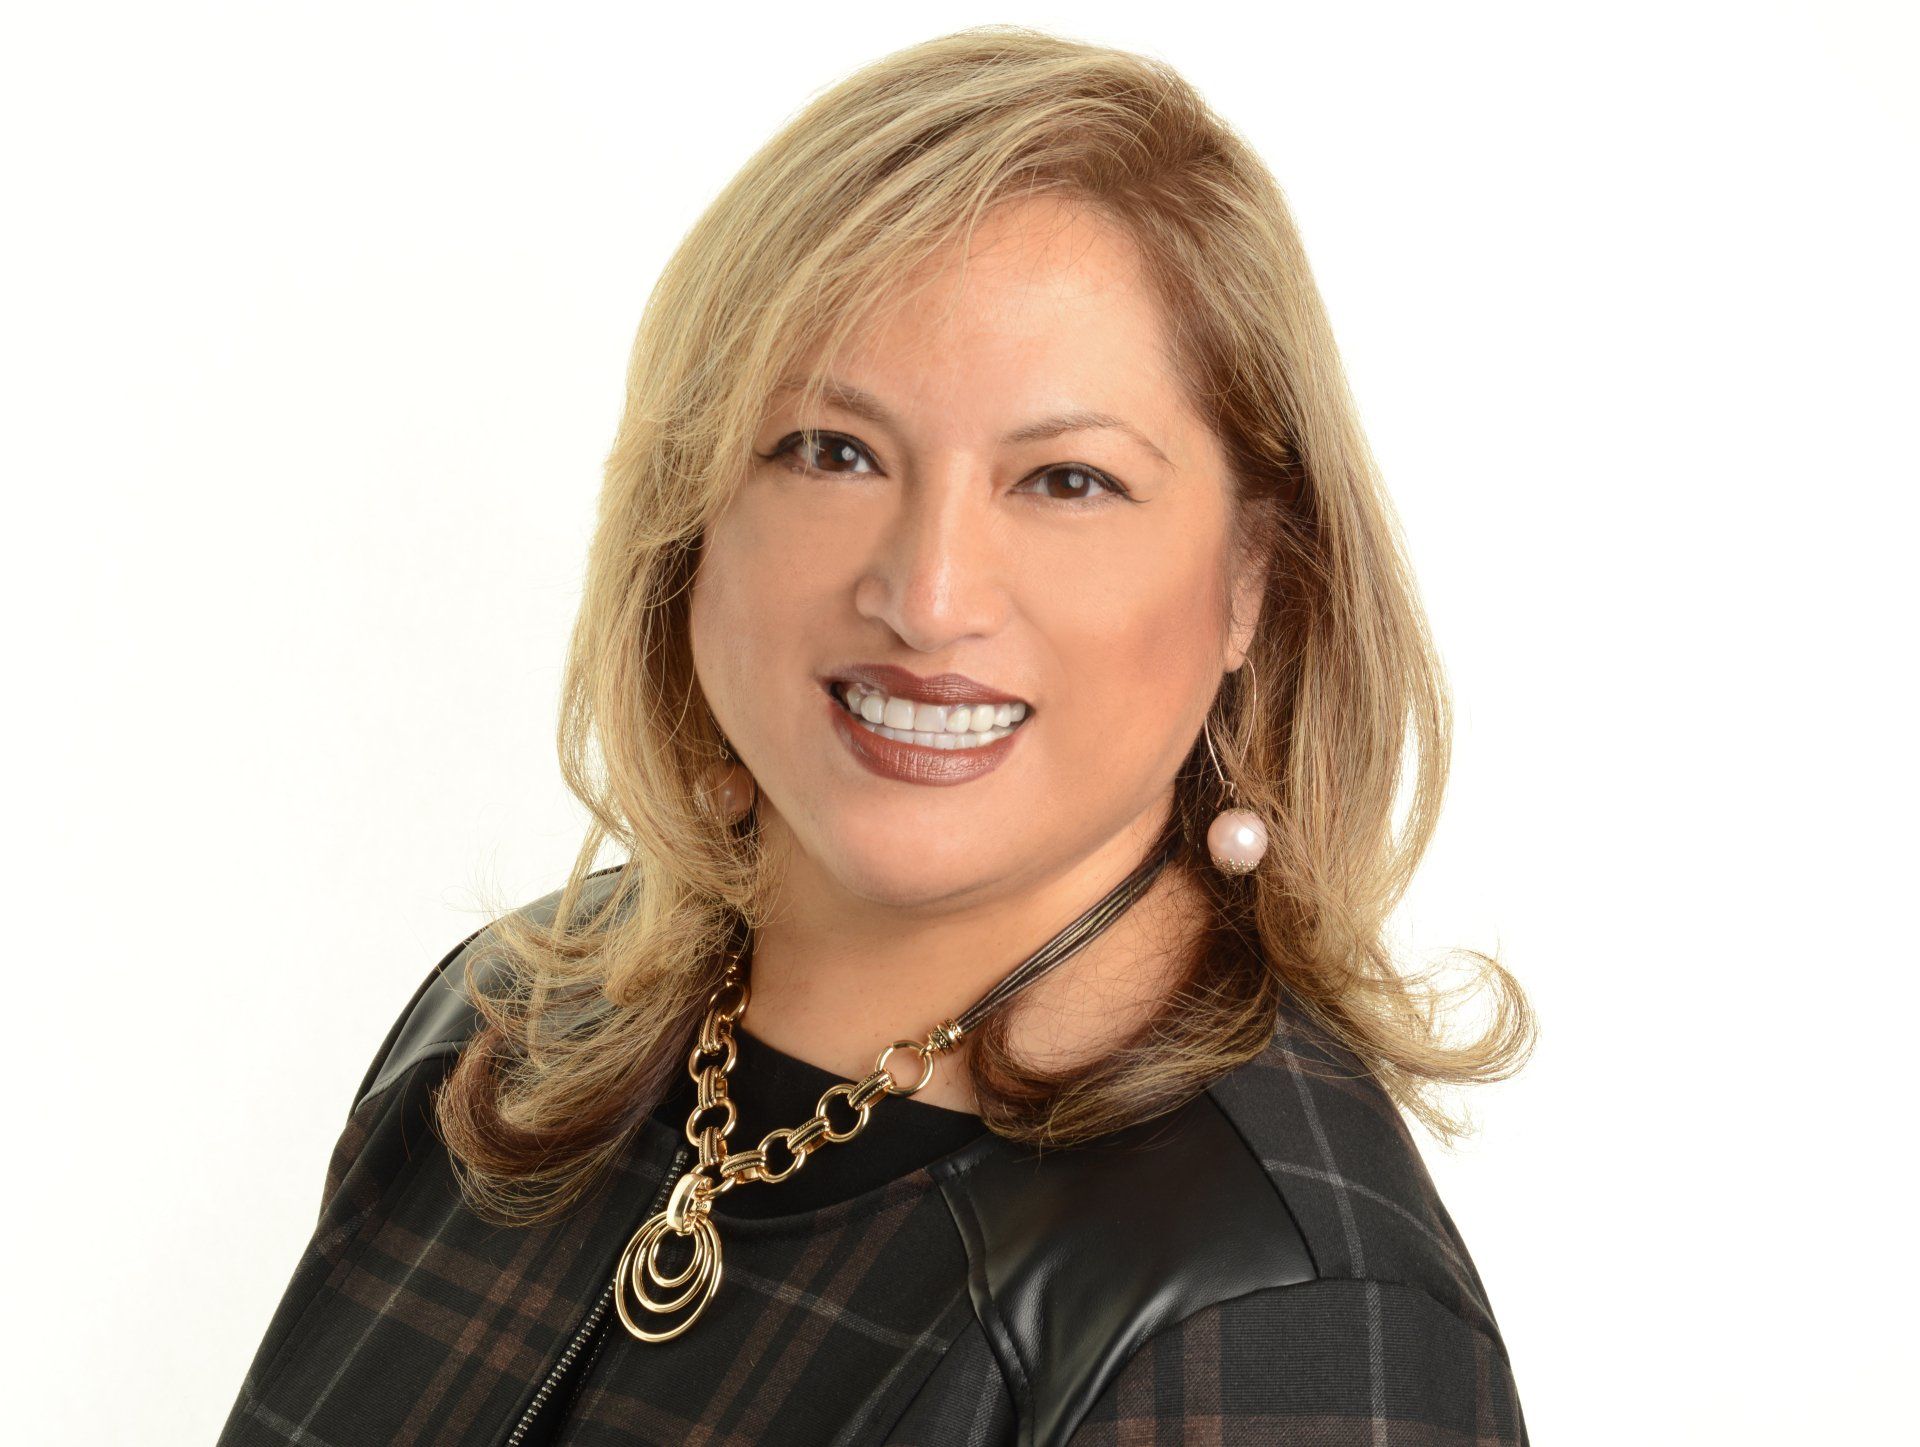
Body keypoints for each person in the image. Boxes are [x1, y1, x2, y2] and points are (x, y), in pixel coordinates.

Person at [218, 24, 1535, 1446]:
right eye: (830, 451)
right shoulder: (496, 1034)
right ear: (694, 514)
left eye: (1068, 480)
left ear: (1254, 584)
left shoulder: (1281, 1311)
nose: (928, 596)